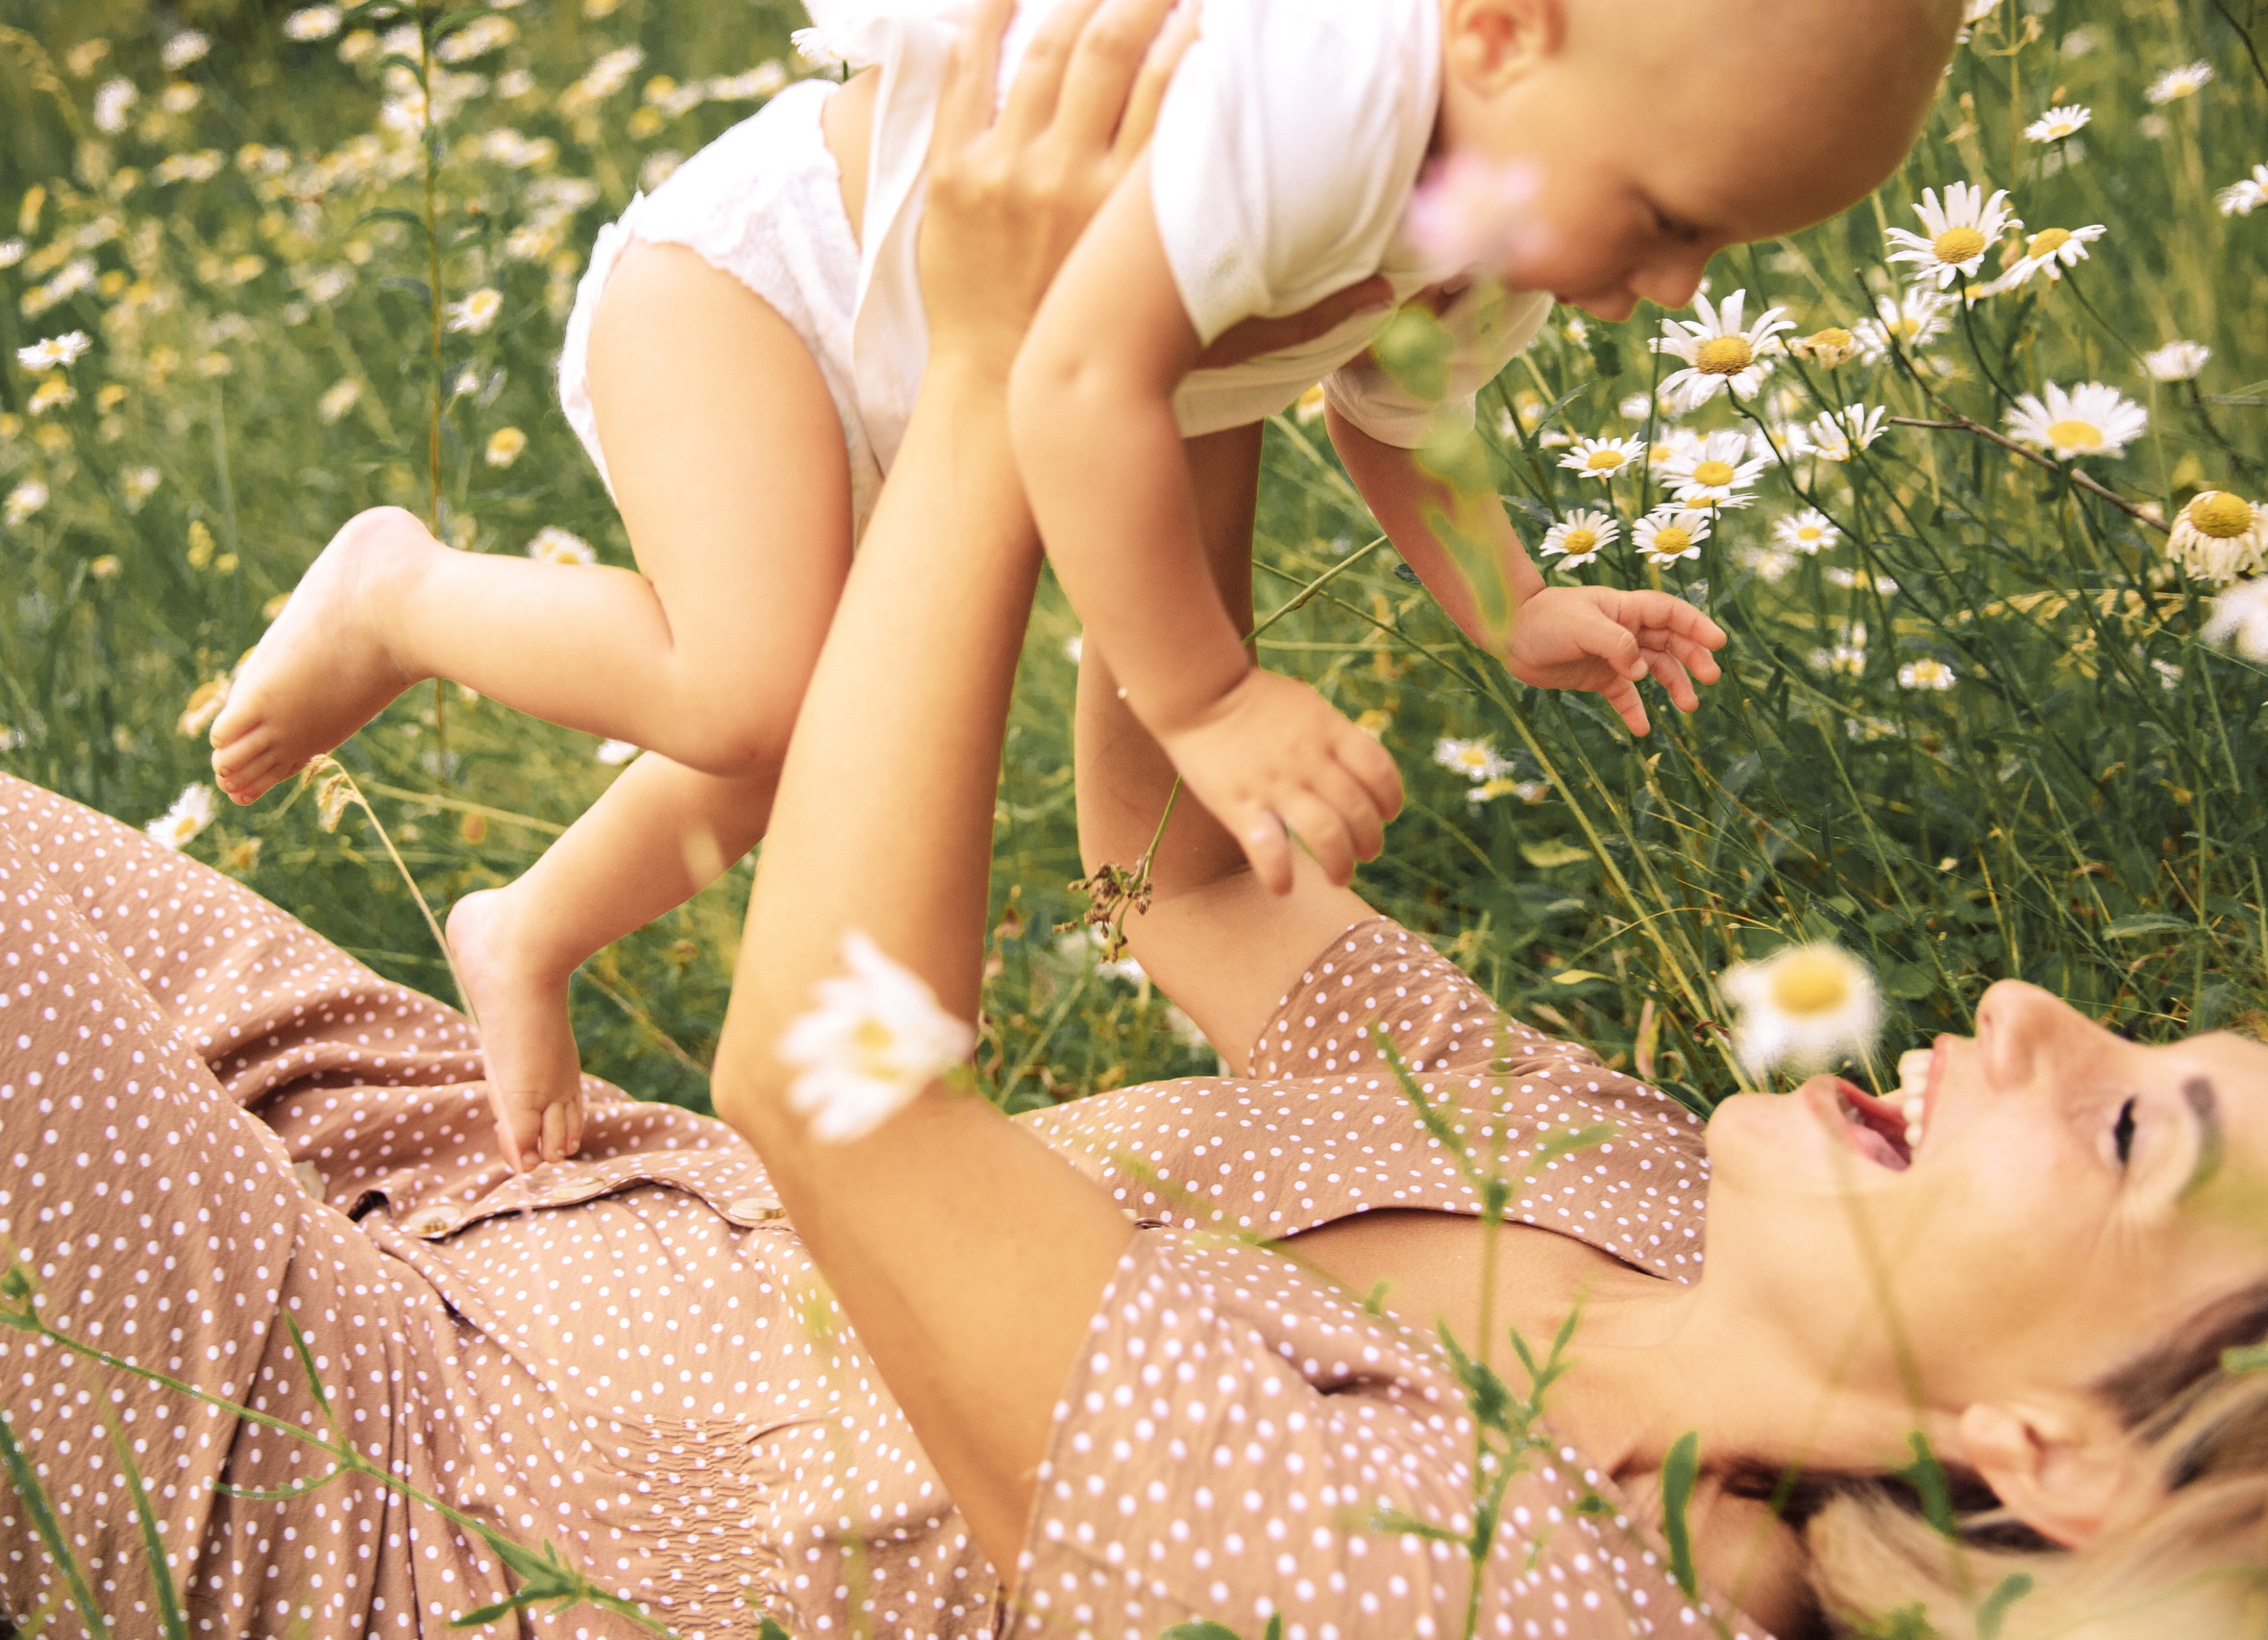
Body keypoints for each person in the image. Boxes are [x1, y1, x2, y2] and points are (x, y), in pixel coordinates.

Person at [0, 4, 2267, 1636]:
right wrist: (1178, 365)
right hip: (487, 1173)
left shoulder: (1507, 1580)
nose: (2039, 1004)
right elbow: (1166, 883)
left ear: (2043, 1452)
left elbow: (851, 1089)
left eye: (2144, 1120)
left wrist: (1002, 379)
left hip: (356, 1461)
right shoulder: (1625, 1177)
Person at [185, 0, 1959, 1178]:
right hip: (773, 292)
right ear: (1498, 30)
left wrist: (1509, 599)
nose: (1668, 284)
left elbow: (1400, 410)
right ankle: (395, 590)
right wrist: (1206, 697)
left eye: (1717, 248)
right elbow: (1073, 384)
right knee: (748, 691)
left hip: (1018, 368)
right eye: (1666, 220)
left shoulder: (1507, 190)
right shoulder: (1325, 90)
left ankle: (529, 928)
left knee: (809, 751)